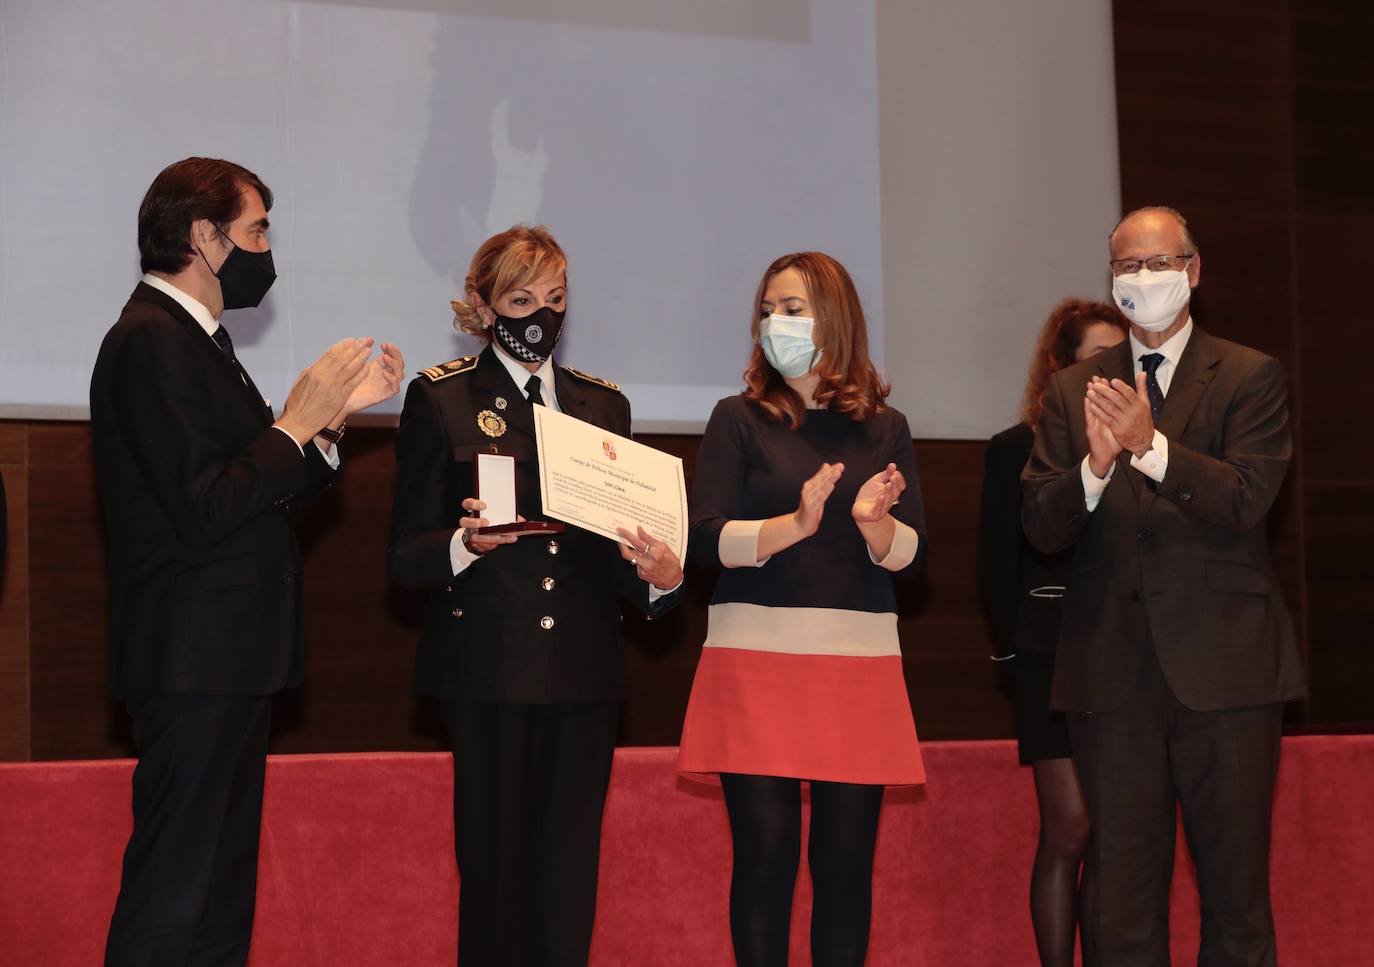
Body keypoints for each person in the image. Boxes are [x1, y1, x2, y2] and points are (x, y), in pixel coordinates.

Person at [90, 157, 404, 967]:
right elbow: (206, 508)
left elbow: (256, 497)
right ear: (204, 235)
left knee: (220, 899)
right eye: (256, 228)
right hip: (191, 661)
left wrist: (325, 428)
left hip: (229, 659)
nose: (267, 247)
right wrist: (293, 424)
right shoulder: (149, 341)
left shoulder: (203, 344)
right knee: (174, 896)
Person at [387, 224, 684, 967]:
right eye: (522, 299)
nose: (540, 316)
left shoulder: (601, 406)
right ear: (485, 306)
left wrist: (660, 576)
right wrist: (462, 543)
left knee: (567, 881)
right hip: (489, 672)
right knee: (494, 884)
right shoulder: (443, 397)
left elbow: (618, 555)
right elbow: (404, 554)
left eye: (555, 298)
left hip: (582, 676)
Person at [1021, 206, 1304, 966]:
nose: (1142, 279)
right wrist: (1097, 464)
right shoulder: (1072, 390)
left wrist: (1150, 449)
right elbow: (1041, 525)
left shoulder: (1251, 375)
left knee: (1236, 902)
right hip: (1111, 679)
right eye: (1127, 266)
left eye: (1159, 263)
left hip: (1228, 672)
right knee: (1121, 906)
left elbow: (1247, 495)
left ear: (1194, 270)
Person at [677, 252, 927, 967]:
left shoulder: (887, 427)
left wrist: (875, 523)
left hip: (856, 668)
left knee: (845, 871)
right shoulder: (738, 419)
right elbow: (701, 538)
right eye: (768, 310)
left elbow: (917, 557)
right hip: (755, 665)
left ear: (836, 318)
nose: (774, 323)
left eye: (792, 308)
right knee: (766, 860)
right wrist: (797, 523)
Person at [977, 298, 1127, 967]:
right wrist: (1012, 654)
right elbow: (995, 563)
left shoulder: (1148, 451)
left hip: (1126, 658)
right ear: (1061, 368)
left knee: (1117, 837)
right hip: (1048, 656)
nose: (1112, 373)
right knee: (1071, 824)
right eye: (1098, 359)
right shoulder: (1016, 448)